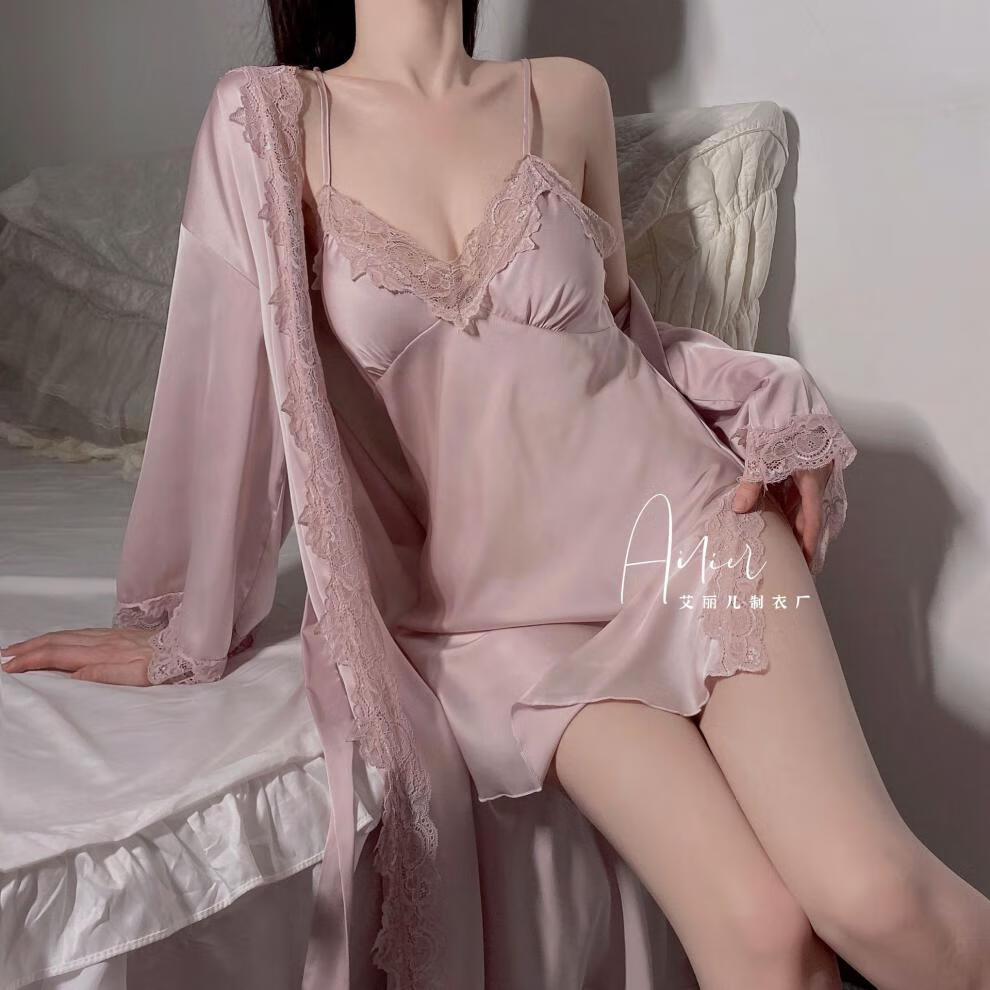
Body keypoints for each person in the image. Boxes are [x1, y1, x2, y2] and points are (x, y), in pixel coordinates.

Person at [4, 3, 990, 988]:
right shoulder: (268, 120)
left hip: (689, 533)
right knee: (763, 936)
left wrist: (772, 408)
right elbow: (222, 384)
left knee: (873, 897)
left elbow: (622, 337)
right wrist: (186, 624)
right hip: (500, 628)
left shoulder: (567, 94)